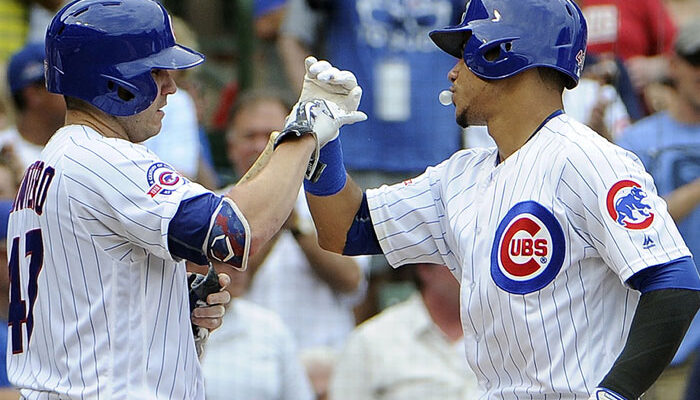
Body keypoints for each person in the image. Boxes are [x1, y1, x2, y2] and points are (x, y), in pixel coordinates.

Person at [298, 0, 700, 398]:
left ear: (502, 53)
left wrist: (616, 393)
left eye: (465, 52)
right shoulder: (459, 176)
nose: (452, 72)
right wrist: (320, 142)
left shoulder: (589, 159)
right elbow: (343, 229)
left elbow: (675, 281)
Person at [4, 0, 364, 398]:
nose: (171, 87)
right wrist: (306, 130)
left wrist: (169, 306)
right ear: (113, 81)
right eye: (156, 72)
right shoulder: (102, 157)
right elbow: (236, 231)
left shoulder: (51, 162)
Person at [225, 90, 368, 350]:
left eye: (271, 135)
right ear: (231, 147)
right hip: (249, 360)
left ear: (296, 143)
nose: (259, 146)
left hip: (322, 358)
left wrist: (296, 226)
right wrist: (271, 221)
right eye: (249, 136)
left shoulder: (330, 199)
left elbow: (352, 281)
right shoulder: (215, 206)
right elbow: (224, 284)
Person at [615, 19, 700, 400]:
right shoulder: (637, 140)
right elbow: (635, 226)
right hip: (668, 337)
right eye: (695, 61)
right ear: (674, 65)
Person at [330, 263, 478, 400]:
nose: (473, 271)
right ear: (424, 268)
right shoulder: (371, 340)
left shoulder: (491, 332)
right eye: (458, 260)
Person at [196, 260, 315, 400]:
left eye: (243, 257)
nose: (238, 267)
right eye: (221, 259)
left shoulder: (270, 325)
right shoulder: (177, 323)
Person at [0, 42, 66, 168]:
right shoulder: (3, 150)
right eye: (61, 83)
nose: (70, 93)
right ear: (33, 94)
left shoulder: (82, 148)